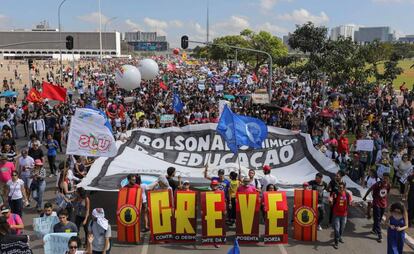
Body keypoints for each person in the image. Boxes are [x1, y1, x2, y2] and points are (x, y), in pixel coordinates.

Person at [363, 172, 391, 243]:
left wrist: (386, 203)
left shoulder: (388, 185)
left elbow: (387, 193)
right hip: (376, 204)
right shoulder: (378, 184)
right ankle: (380, 235)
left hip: (383, 204)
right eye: (384, 178)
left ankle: (374, 229)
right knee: (378, 219)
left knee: (379, 218)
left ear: (388, 179)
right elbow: (370, 189)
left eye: (386, 178)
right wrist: (365, 197)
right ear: (382, 177)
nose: (385, 179)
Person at [330, 182, 353, 249]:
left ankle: (339, 237)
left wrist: (351, 203)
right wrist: (330, 201)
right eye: (339, 187)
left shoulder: (347, 194)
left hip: (344, 215)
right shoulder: (335, 194)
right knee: (337, 229)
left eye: (341, 187)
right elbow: (331, 198)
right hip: (336, 214)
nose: (340, 189)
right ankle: (336, 242)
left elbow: (351, 201)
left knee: (342, 228)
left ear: (344, 188)